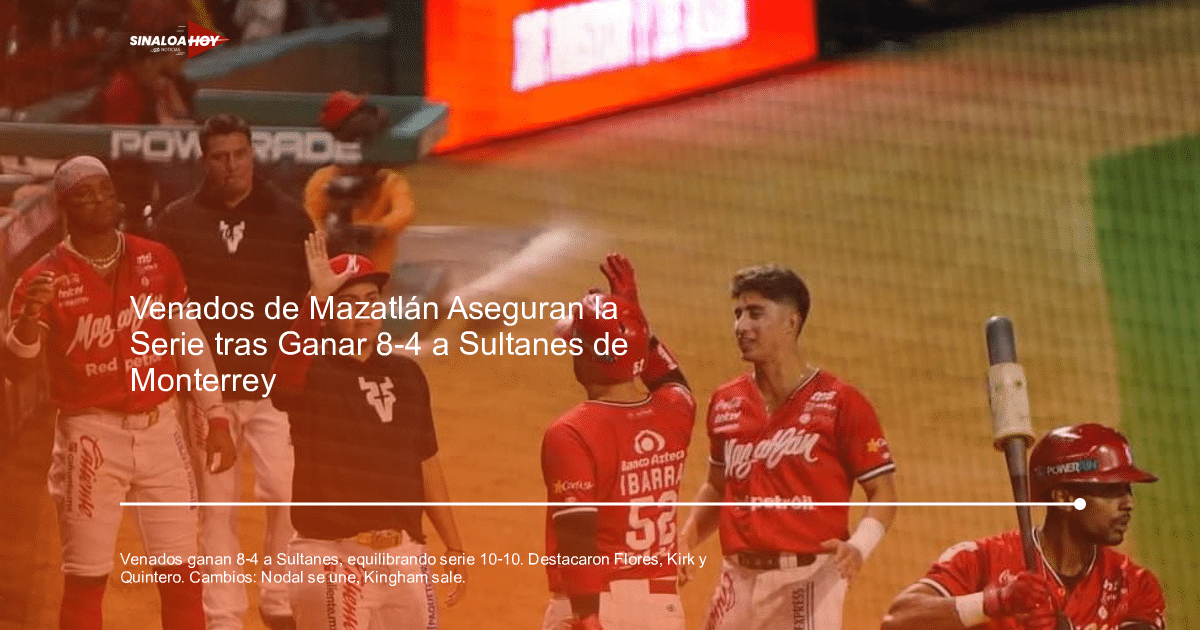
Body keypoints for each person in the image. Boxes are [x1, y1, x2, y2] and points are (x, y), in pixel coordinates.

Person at [4, 155, 237, 630]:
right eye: (85, 195)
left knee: (182, 576)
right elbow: (16, 371)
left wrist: (216, 414)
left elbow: (188, 339)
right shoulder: (40, 279)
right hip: (88, 437)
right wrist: (28, 321)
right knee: (87, 579)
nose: (99, 201)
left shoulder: (157, 258)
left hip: (160, 429)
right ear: (66, 206)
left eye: (105, 191)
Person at [151, 113, 313, 630]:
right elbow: (161, 313)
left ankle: (279, 600)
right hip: (207, 394)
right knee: (216, 507)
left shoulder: (293, 219)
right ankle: (223, 617)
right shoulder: (174, 222)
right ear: (204, 160)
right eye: (220, 157)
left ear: (252, 154)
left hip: (276, 389)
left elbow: (310, 304)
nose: (231, 166)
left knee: (286, 492)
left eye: (240, 154)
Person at [678, 264, 898, 630]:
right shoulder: (725, 400)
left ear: (790, 323)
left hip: (810, 582)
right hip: (737, 580)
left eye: (755, 313)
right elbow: (717, 485)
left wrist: (860, 546)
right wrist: (686, 538)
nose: (741, 326)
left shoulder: (842, 402)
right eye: (738, 314)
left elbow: (883, 492)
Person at [269, 232, 467, 629]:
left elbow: (426, 462)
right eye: (348, 304)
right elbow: (281, 384)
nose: (363, 313)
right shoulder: (313, 372)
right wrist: (315, 300)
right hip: (331, 556)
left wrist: (454, 545)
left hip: (404, 555)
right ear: (328, 312)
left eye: (371, 302)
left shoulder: (407, 374)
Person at [880, 423, 1165, 630]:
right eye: (1111, 490)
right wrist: (995, 603)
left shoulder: (1135, 585)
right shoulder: (982, 559)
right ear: (1064, 498)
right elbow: (898, 621)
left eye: (1128, 489)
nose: (1128, 503)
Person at [541, 254, 696, 630]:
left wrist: (587, 616)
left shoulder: (571, 432)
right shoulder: (676, 410)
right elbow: (672, 377)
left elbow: (576, 532)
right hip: (663, 611)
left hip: (597, 604)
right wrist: (633, 316)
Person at [304, 90, 415, 273]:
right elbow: (311, 213)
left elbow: (405, 211)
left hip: (377, 273)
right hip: (334, 272)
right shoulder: (323, 178)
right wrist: (323, 234)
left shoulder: (389, 181)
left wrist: (379, 229)